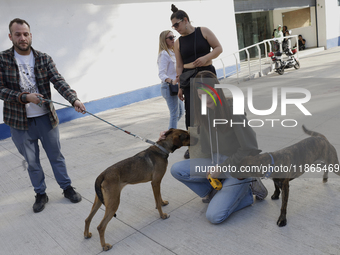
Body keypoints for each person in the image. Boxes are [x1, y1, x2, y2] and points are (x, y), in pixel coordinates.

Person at [0, 18, 86, 213]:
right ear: (10, 36)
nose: (22, 38)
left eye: (25, 34)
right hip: (19, 123)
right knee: (32, 162)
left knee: (56, 156)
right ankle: (40, 193)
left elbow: (58, 81)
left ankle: (66, 188)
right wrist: (25, 97)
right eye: (18, 34)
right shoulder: (2, 59)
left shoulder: (43, 58)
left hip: (46, 118)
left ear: (30, 35)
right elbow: (0, 89)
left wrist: (74, 100)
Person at [167, 71, 268, 224]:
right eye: (201, 95)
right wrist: (168, 136)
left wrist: (222, 168)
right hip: (215, 163)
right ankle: (214, 192)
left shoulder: (233, 109)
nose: (205, 99)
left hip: (237, 166)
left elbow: (250, 147)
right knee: (177, 169)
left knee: (214, 216)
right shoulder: (203, 111)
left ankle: (247, 191)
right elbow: (197, 139)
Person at [170, 4, 223, 159]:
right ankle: (194, 145)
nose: (175, 28)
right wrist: (180, 86)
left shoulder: (203, 31)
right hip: (189, 78)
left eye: (176, 24)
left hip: (207, 75)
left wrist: (206, 57)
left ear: (185, 20)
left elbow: (218, 48)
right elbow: (179, 65)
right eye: (173, 26)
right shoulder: (178, 42)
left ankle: (217, 142)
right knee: (191, 113)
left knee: (212, 109)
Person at [157, 30, 184, 130]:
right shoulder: (164, 54)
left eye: (174, 37)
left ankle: (169, 132)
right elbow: (161, 74)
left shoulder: (173, 52)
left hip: (176, 87)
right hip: (168, 87)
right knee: (174, 114)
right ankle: (170, 138)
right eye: (170, 38)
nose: (173, 39)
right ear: (164, 40)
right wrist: (171, 81)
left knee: (181, 112)